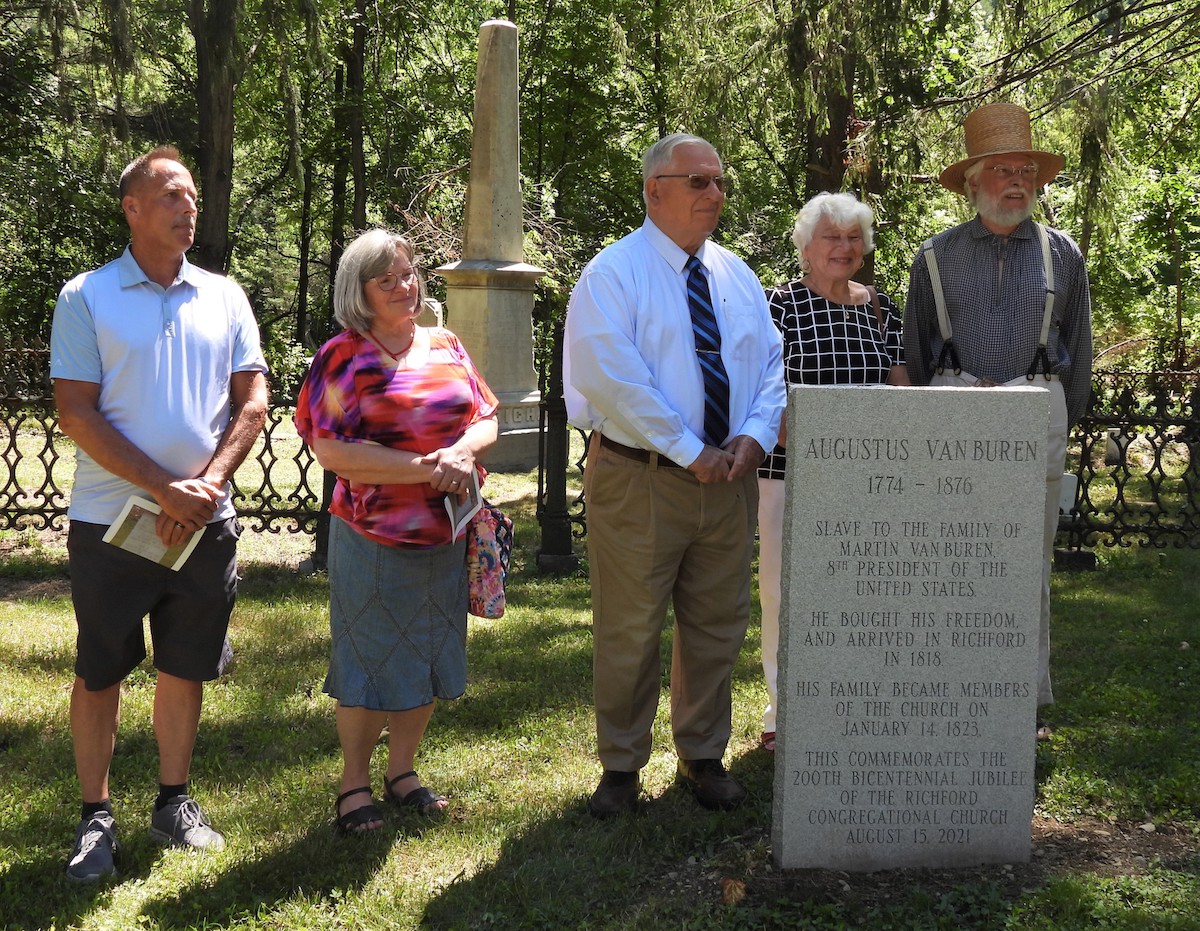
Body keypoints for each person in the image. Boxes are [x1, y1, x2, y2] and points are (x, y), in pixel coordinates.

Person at [50, 145, 269, 882]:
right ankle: (95, 817)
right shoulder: (86, 296)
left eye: (193, 197)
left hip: (205, 520)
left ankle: (174, 800)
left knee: (185, 665)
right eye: (171, 194)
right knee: (101, 666)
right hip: (111, 521)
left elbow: (254, 402)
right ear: (132, 208)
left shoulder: (225, 295)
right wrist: (161, 488)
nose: (188, 206)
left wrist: (202, 487)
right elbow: (75, 412)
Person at [564, 133, 786, 817]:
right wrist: (691, 449)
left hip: (728, 481)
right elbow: (615, 380)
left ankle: (702, 753)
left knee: (717, 622)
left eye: (719, 182)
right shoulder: (614, 273)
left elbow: (771, 366)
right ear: (654, 189)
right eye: (697, 182)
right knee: (630, 626)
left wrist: (753, 437)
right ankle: (622, 765)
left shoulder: (737, 275)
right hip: (643, 476)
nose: (714, 195)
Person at [294, 229, 499, 835]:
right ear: (359, 292)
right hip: (373, 536)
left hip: (446, 534)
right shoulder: (343, 356)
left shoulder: (446, 344)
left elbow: (486, 416)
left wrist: (461, 453)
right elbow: (332, 449)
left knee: (430, 653)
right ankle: (354, 783)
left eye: (409, 274)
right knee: (367, 660)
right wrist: (427, 469)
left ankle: (402, 771)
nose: (405, 286)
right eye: (387, 279)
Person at [903, 102, 1093, 737]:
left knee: (1027, 562)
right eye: (1003, 169)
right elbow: (916, 346)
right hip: (953, 406)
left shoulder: (1063, 255)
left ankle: (1023, 699)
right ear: (972, 181)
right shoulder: (933, 257)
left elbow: (1081, 346)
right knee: (946, 557)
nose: (1018, 181)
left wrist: (1072, 420)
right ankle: (947, 687)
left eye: (1027, 169)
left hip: (1037, 405)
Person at [756, 192, 909, 753]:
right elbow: (764, 391)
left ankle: (851, 704)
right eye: (831, 237)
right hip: (786, 472)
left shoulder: (880, 308)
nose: (843, 248)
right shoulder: (779, 305)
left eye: (853, 238)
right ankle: (782, 712)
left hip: (867, 481)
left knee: (859, 595)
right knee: (782, 592)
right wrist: (809, 447)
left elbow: (900, 391)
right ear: (806, 247)